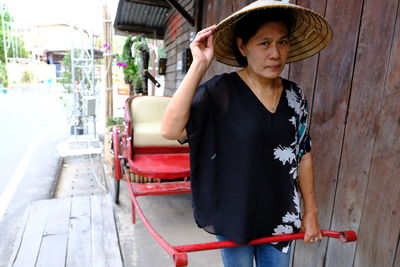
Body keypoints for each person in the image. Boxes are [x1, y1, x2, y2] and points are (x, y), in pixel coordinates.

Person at [161, 1, 333, 266]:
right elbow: (170, 130)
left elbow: (303, 154)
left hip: (282, 216)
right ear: (243, 46)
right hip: (236, 215)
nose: (275, 53)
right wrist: (199, 65)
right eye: (264, 43)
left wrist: (311, 212)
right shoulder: (221, 93)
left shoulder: (294, 95)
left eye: (282, 42)